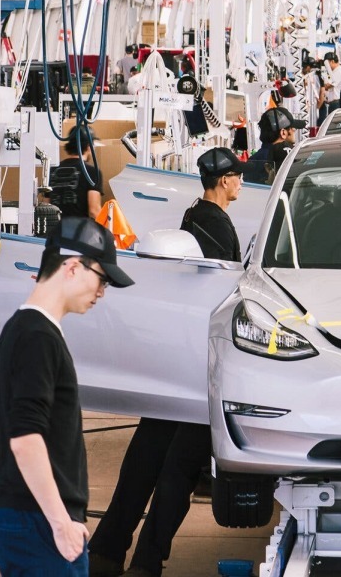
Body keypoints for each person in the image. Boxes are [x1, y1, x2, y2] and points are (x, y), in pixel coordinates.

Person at [89, 148, 244, 577]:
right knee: (180, 463)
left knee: (147, 451)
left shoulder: (193, 214)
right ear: (225, 180)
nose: (241, 183)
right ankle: (146, 560)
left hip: (179, 356)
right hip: (202, 362)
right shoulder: (215, 223)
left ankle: (106, 550)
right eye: (238, 176)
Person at [0, 217, 134, 576]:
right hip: (39, 523)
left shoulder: (27, 329)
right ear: (72, 267)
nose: (102, 292)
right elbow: (25, 439)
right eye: (102, 278)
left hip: (31, 518)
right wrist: (60, 524)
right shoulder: (38, 337)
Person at [49, 124, 103, 220]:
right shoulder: (92, 172)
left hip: (55, 227)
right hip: (80, 228)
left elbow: (46, 205)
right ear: (89, 147)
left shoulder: (52, 170)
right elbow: (94, 212)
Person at [244, 107, 304, 185]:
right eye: (293, 128)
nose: (294, 130)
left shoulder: (252, 161)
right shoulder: (289, 157)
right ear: (283, 133)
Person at [316, 51, 341, 122]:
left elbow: (328, 86)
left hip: (336, 103)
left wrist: (322, 85)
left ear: (332, 61)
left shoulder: (339, 71)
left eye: (327, 64)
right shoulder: (335, 71)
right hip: (334, 103)